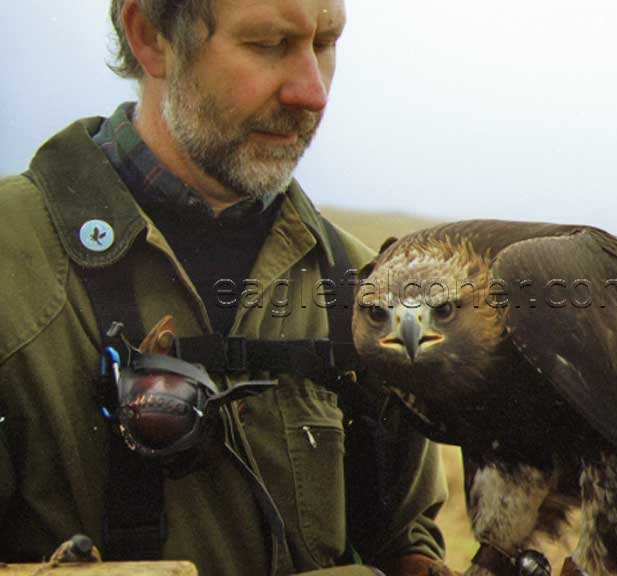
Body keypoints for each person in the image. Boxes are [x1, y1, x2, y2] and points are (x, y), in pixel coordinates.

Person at [0, 1, 450, 575]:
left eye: (325, 43)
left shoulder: (367, 295)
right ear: (151, 36)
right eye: (268, 44)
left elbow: (406, 539)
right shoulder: (12, 262)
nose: (312, 93)